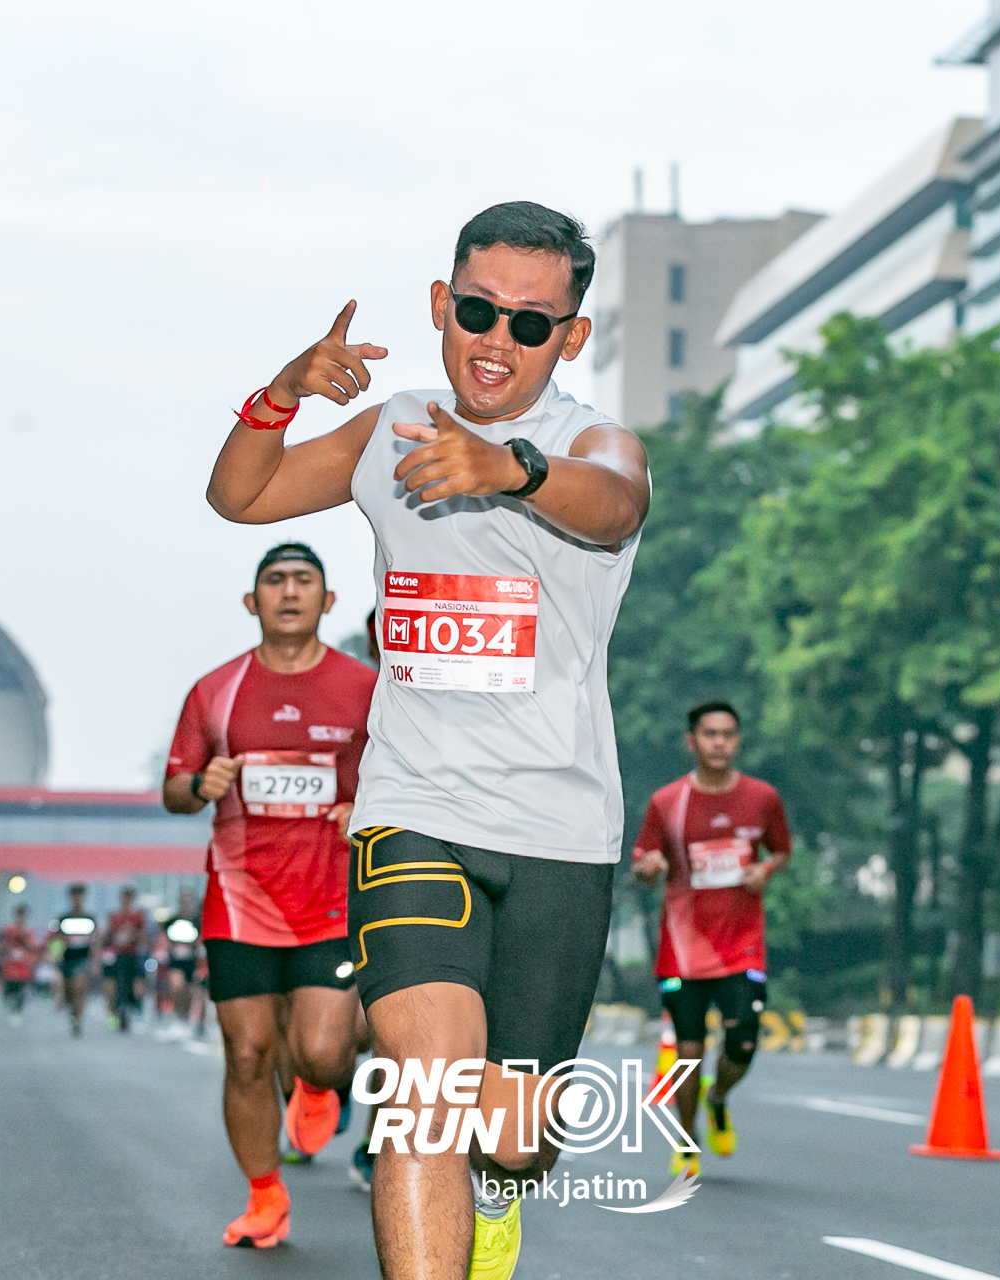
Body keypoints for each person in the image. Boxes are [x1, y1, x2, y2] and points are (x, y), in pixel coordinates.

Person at [205, 202, 648, 1280]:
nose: (498, 340)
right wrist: (279, 394)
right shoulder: (392, 429)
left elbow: (617, 505)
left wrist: (511, 470)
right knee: (425, 1090)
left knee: (515, 1137)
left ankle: (498, 1197)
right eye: (480, 311)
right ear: (443, 306)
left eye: (531, 324)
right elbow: (240, 493)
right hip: (415, 809)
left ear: (571, 337)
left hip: (560, 828)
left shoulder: (589, 443)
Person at [162, 541, 376, 1250]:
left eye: (303, 580)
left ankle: (315, 1085)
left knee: (323, 1053)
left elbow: (403, 780)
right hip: (240, 900)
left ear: (327, 600)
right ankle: (264, 1198)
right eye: (275, 581)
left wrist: (364, 809)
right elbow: (174, 791)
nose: (289, 592)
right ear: (252, 602)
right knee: (248, 1054)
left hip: (333, 899)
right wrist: (201, 785)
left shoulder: (365, 688)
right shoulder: (215, 691)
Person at [631, 701, 791, 1176]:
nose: (719, 743)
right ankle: (686, 1139)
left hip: (742, 946)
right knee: (688, 1051)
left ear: (738, 741)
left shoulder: (762, 797)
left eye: (728, 734)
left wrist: (765, 869)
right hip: (683, 950)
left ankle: (717, 1097)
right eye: (709, 734)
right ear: (692, 741)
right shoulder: (668, 802)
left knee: (742, 1043)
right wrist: (649, 867)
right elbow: (642, 862)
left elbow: (781, 850)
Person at [53, 885, 98, 1036]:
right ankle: (72, 1013)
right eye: (75, 896)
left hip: (82, 959)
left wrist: (95, 959)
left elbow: (95, 938)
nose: (77, 899)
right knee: (69, 991)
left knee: (79, 989)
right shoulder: (63, 918)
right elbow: (56, 937)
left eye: (80, 896)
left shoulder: (89, 918)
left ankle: (78, 1017)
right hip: (67, 958)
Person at [104, 887, 149, 1032]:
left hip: (133, 955)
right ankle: (116, 1011)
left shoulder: (138, 917)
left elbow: (143, 936)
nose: (126, 901)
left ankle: (135, 1006)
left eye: (128, 898)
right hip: (117, 956)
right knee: (115, 984)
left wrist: (132, 933)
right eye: (124, 898)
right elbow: (108, 936)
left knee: (137, 981)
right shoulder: (114, 917)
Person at [162, 890, 205, 1032]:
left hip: (191, 962)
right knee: (176, 986)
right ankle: (178, 1016)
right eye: (182, 901)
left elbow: (201, 940)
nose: (184, 904)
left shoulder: (197, 921)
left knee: (189, 992)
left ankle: (186, 1019)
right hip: (176, 961)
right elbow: (164, 939)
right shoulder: (171, 921)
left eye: (187, 901)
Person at [0, 904, 39, 1024]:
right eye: (18, 915)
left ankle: (18, 1010)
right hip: (10, 962)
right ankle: (9, 1000)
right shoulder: (8, 930)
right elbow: (4, 944)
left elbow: (31, 946)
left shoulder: (29, 931)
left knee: (21, 987)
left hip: (23, 962)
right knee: (10, 986)